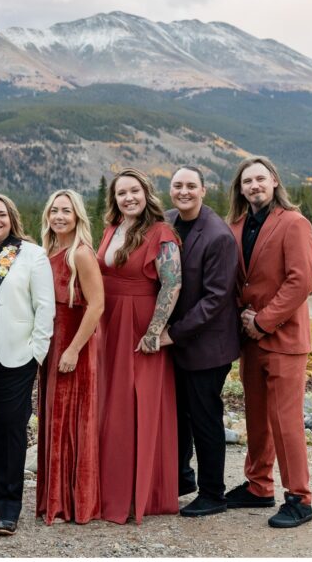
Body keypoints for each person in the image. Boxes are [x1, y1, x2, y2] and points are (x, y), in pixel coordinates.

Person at [225, 156, 312, 528]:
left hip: (283, 338)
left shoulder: (294, 223)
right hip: (250, 341)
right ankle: (259, 487)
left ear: (274, 182)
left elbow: (301, 280)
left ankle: (299, 498)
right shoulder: (235, 226)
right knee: (257, 418)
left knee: (286, 422)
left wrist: (262, 321)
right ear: (240, 189)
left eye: (260, 179)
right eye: (247, 181)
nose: (254, 186)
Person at [95, 167, 182, 524]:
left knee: (136, 404)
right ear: (113, 199)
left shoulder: (161, 232)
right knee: (108, 402)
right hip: (108, 321)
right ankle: (102, 488)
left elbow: (172, 284)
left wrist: (154, 331)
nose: (128, 197)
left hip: (139, 323)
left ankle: (136, 494)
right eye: (121, 193)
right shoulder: (112, 229)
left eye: (134, 191)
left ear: (146, 193)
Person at [0, 192, 54, 536]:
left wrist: (37, 352)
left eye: (1, 214)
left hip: (16, 357)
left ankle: (10, 507)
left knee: (11, 429)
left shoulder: (31, 255)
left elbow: (45, 306)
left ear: (11, 217)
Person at [163, 166, 241, 517]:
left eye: (191, 186)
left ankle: (213, 493)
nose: (184, 192)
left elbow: (216, 299)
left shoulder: (218, 236)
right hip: (175, 343)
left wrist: (172, 333)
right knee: (177, 415)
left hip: (207, 347)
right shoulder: (165, 222)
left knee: (205, 419)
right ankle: (183, 478)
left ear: (204, 191)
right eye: (178, 185)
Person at [35, 189, 104, 525]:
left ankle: (73, 502)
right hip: (52, 343)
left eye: (66, 211)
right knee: (54, 420)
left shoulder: (81, 254)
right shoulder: (49, 251)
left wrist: (74, 349)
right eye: (54, 211)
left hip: (74, 344)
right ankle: (55, 498)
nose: (60, 216)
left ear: (77, 216)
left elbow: (97, 305)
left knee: (72, 422)